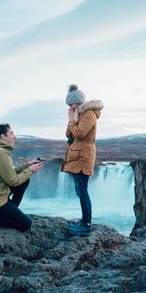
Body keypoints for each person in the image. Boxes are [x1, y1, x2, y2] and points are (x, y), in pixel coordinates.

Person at [0, 123, 44, 232]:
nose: (14, 136)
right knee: (26, 224)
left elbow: (9, 173)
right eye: (11, 133)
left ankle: (6, 213)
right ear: (3, 136)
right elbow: (13, 181)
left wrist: (28, 164)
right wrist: (31, 170)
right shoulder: (0, 153)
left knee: (25, 181)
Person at [61, 84, 104, 236]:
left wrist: (72, 120)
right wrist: (72, 118)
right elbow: (68, 134)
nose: (70, 106)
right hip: (75, 155)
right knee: (80, 191)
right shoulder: (78, 114)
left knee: (82, 190)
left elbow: (79, 134)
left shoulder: (89, 114)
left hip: (83, 156)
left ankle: (86, 224)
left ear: (78, 102)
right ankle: (84, 220)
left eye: (71, 104)